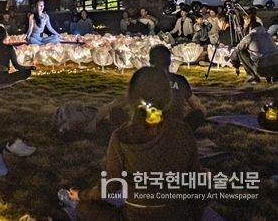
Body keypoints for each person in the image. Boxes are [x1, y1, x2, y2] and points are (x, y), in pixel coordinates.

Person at [68, 67, 203, 221]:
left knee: (84, 208)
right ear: (168, 98)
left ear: (131, 98)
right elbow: (195, 179)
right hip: (179, 215)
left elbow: (110, 187)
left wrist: (81, 195)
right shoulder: (184, 130)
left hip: (135, 216)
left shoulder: (121, 137)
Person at [95, 45, 206, 132]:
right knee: (198, 114)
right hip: (175, 131)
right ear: (169, 62)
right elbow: (196, 105)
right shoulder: (180, 80)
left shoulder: (144, 79)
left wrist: (102, 113)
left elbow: (121, 101)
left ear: (150, 62)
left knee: (115, 113)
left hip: (146, 131)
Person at [230, 19, 278, 83]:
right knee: (267, 54)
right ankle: (272, 77)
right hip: (276, 67)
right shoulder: (268, 35)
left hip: (261, 68)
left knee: (241, 52)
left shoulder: (250, 36)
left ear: (251, 28)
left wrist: (235, 63)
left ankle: (254, 77)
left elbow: (237, 49)